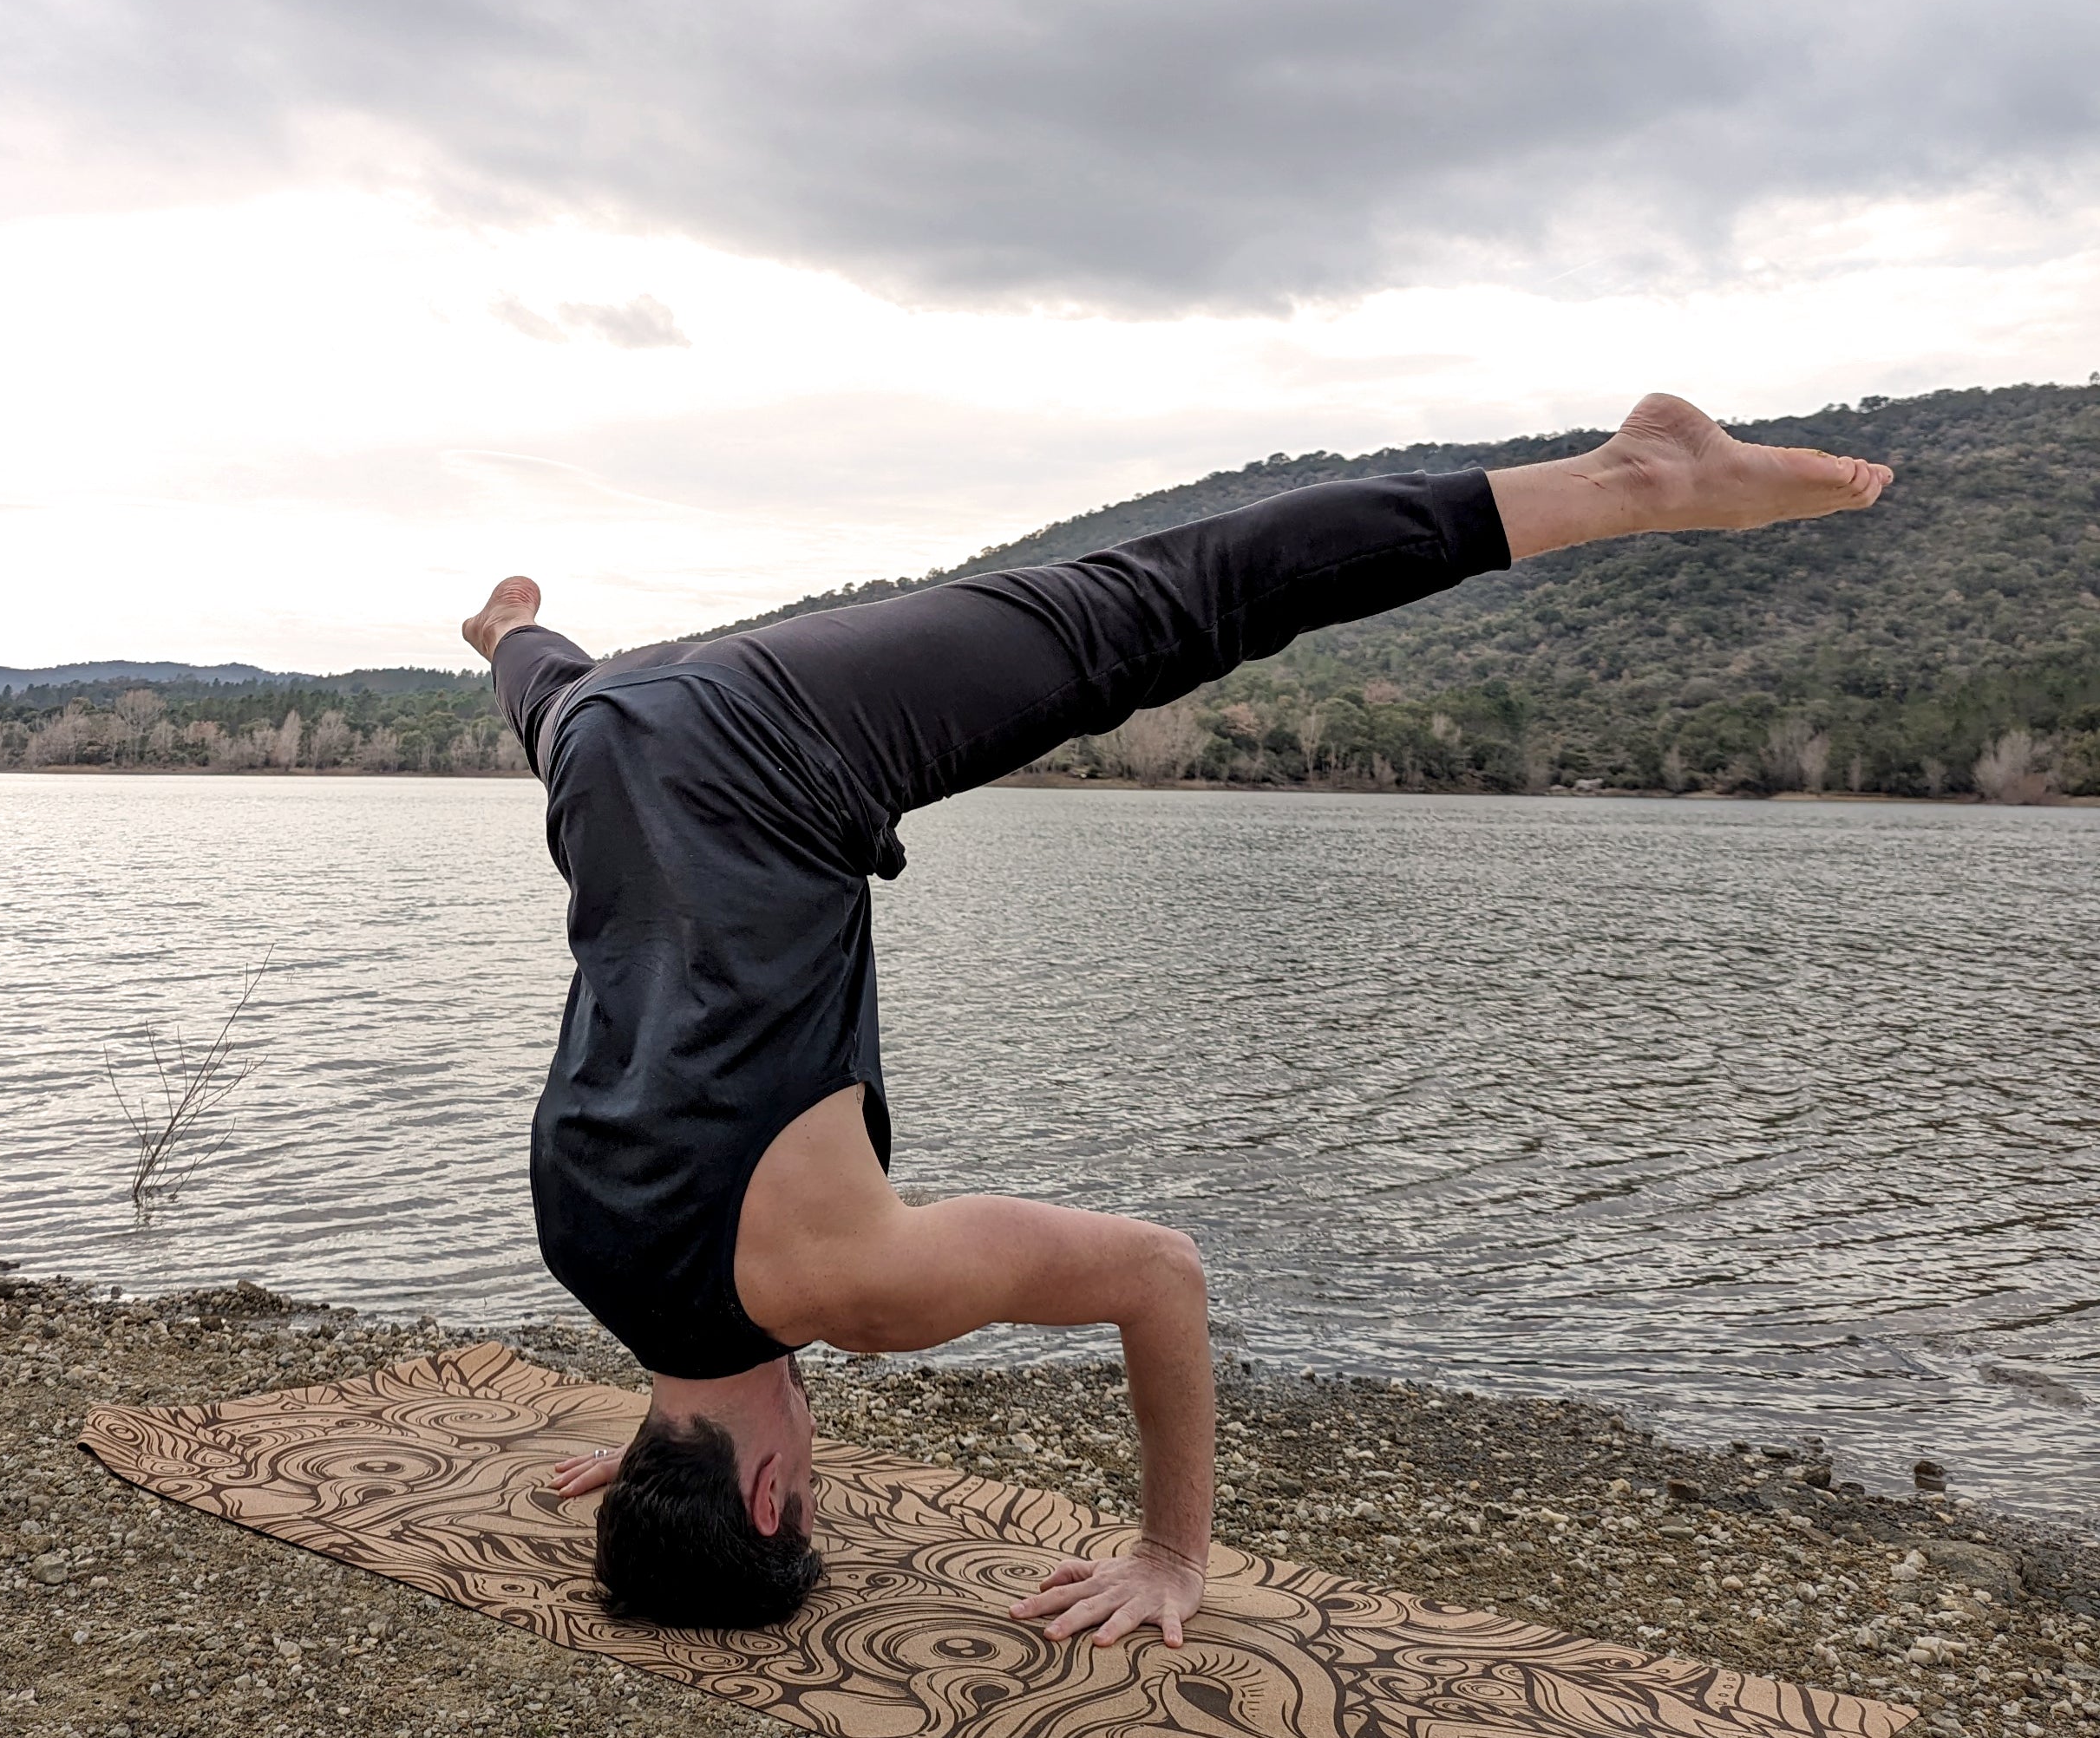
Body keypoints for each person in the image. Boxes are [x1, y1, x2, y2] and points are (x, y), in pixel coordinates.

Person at [461, 394, 1891, 1649]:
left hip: (777, 746)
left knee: (1175, 599)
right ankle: (510, 637)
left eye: (800, 1486)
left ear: (775, 1490)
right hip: (602, 742)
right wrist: (658, 1462)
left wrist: (1169, 1554)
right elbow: (682, 1258)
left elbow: (1159, 1272)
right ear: (667, 1447)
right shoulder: (590, 1256)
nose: (811, 1464)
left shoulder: (850, 1288)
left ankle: (1640, 475)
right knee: (550, 700)